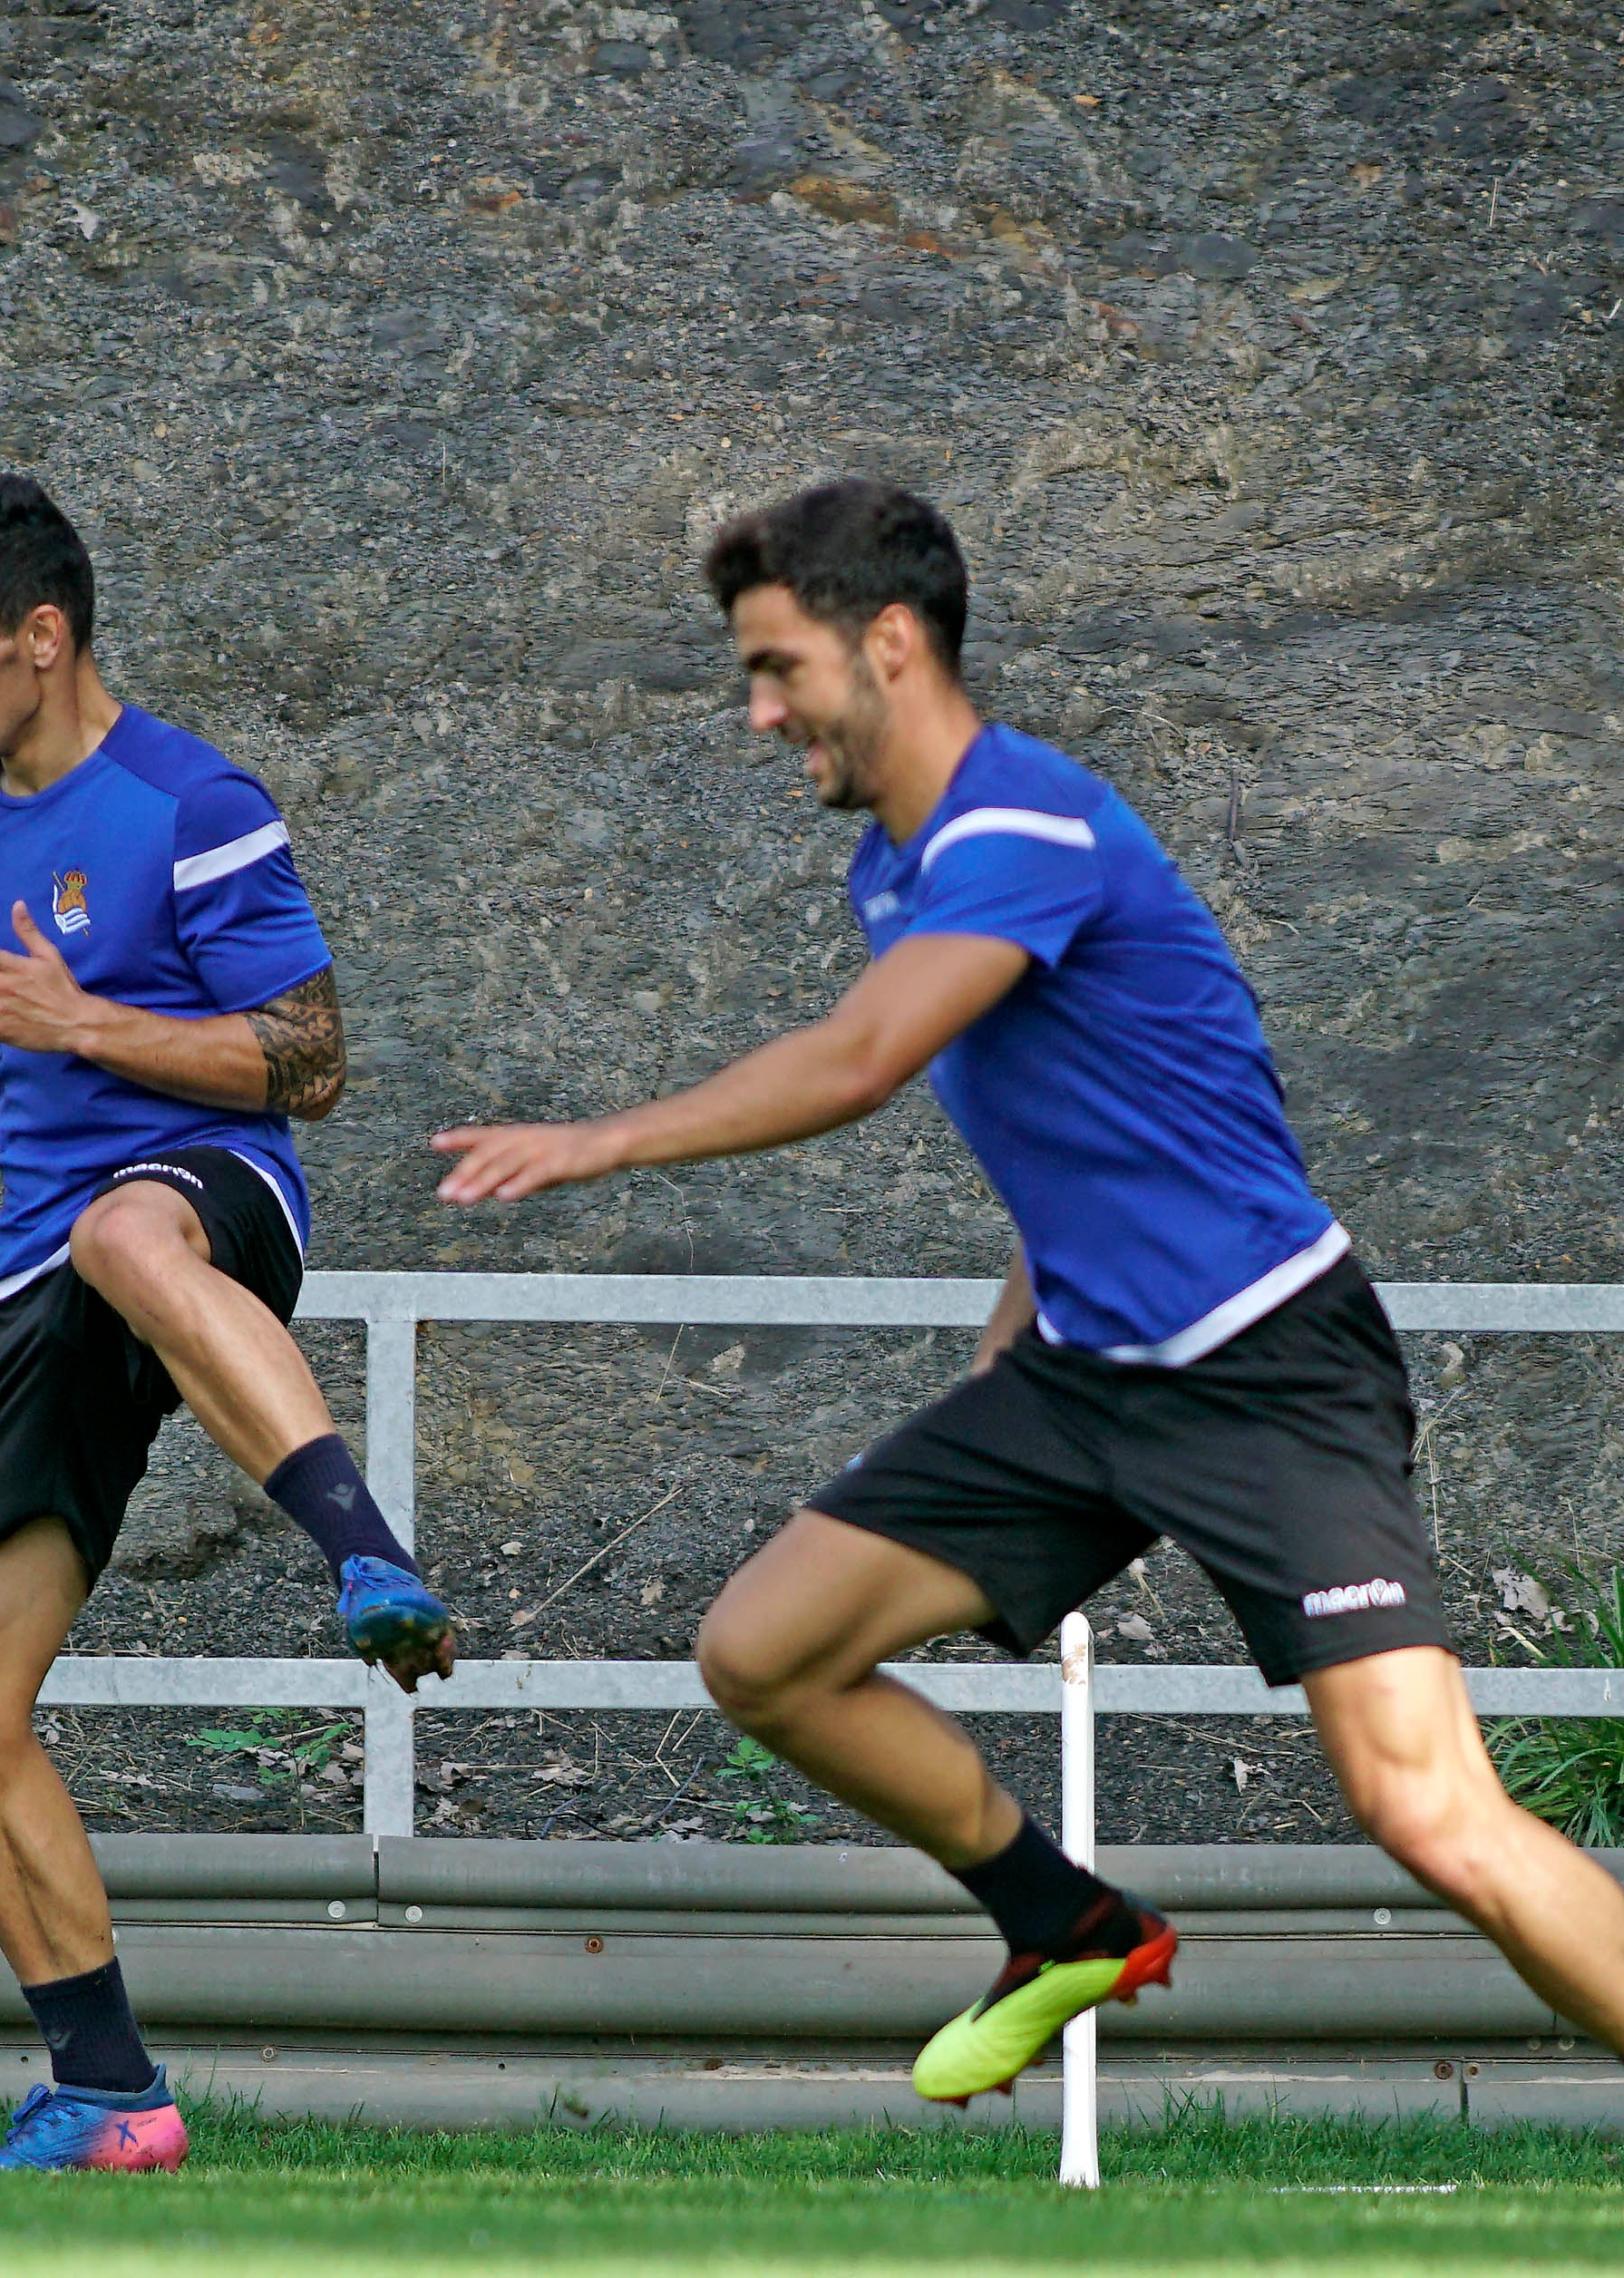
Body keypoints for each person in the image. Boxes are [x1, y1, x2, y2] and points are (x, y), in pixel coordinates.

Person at [433, 476, 1624, 2100]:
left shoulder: (1025, 823)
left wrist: (599, 1143)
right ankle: (1061, 1922)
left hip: (1268, 1366)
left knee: (1430, 1815)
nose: (760, 710)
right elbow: (1097, 1106)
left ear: (895, 644)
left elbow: (861, 1060)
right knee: (765, 1650)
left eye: (780, 668)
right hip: (1081, 1373)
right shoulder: (903, 868)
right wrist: (1026, 1312)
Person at [0, 475, 459, 2173]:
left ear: (45, 639)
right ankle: (110, 2089)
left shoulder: (199, 801)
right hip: (47, 1258)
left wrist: (86, 1022)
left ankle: (361, 1551)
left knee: (127, 1228)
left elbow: (311, 1064)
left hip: (217, 1202)